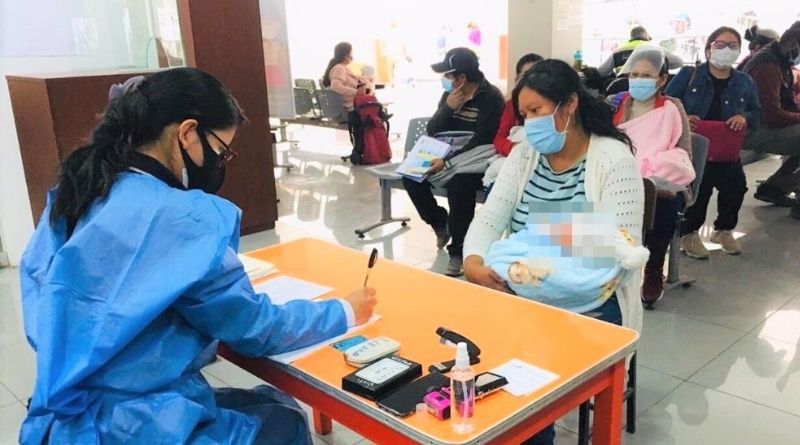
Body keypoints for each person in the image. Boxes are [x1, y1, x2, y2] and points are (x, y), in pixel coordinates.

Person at [18, 68, 377, 445]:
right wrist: (344, 311)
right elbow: (254, 328)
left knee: (260, 405)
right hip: (134, 426)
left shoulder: (77, 190)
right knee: (284, 419)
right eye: (221, 151)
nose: (220, 164)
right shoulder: (180, 217)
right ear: (187, 133)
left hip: (60, 421)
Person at [463, 59, 647, 445]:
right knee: (480, 370)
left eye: (537, 111)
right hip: (524, 288)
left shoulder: (613, 160)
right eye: (525, 114)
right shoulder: (524, 155)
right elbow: (489, 218)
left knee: (527, 385)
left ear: (570, 104)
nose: (530, 123)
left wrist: (542, 230)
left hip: (591, 298)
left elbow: (618, 247)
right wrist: (474, 263)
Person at [402, 47, 504, 277]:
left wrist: (447, 162)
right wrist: (448, 108)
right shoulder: (449, 96)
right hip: (444, 153)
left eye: (449, 76)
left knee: (460, 185)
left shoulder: (491, 99)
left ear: (461, 78)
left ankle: (458, 249)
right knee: (411, 175)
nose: (446, 80)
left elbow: (482, 141)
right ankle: (440, 222)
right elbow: (433, 129)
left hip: (474, 160)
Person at [665, 26, 762, 257]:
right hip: (695, 147)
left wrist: (744, 118)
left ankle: (723, 230)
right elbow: (666, 104)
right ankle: (688, 234)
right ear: (709, 49)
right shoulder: (690, 75)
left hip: (727, 147)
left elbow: (757, 113)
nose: (726, 49)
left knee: (735, 188)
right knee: (699, 192)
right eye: (720, 44)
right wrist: (684, 116)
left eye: (732, 45)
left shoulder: (744, 81)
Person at [611, 45, 695, 306]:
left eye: (646, 76)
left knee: (664, 203)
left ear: (661, 79)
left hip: (661, 180)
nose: (638, 80)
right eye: (634, 75)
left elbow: (683, 151)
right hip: (620, 176)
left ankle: (654, 268)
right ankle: (608, 264)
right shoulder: (617, 105)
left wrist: (655, 171)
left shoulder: (672, 108)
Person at [742, 21, 800, 219]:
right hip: (751, 129)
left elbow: (786, 105)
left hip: (763, 125)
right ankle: (780, 189)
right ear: (793, 44)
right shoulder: (767, 66)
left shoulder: (780, 61)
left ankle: (775, 188)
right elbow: (772, 116)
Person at [493, 53, 544, 157]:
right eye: (525, 76)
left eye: (536, 77)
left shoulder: (550, 106)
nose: (530, 82)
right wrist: (515, 148)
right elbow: (499, 139)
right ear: (516, 79)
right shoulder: (511, 106)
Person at [598, 26, 683, 77]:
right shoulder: (656, 49)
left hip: (620, 88)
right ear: (646, 36)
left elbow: (601, 72)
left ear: (631, 37)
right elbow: (678, 62)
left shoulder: (618, 52)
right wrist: (660, 67)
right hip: (650, 87)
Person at [322, 42, 367, 113]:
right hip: (349, 104)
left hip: (350, 102)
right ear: (346, 56)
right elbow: (336, 86)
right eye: (351, 53)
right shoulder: (339, 68)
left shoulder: (343, 67)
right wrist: (356, 92)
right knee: (374, 105)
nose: (352, 57)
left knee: (373, 103)